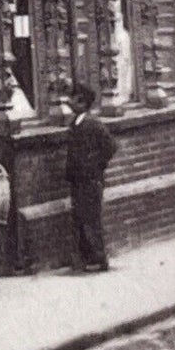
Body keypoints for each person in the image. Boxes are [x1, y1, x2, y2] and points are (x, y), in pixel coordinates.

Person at [65, 83, 117, 272]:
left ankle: (100, 258)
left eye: (72, 98)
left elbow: (110, 147)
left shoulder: (93, 124)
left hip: (90, 180)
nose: (68, 102)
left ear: (81, 102)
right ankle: (87, 258)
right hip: (79, 180)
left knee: (91, 218)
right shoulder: (75, 123)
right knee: (80, 217)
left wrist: (95, 165)